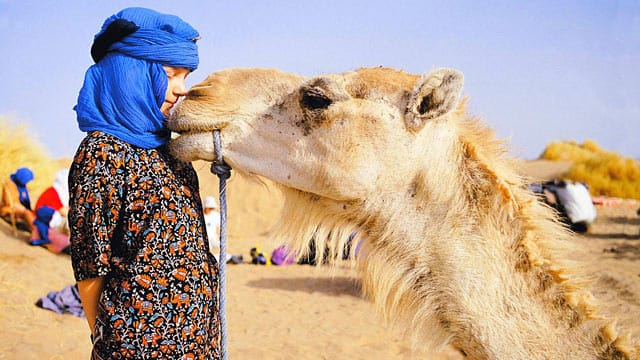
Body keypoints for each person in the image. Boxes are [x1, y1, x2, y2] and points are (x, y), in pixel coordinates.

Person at [68, 8, 220, 359]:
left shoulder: (170, 149)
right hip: (137, 345)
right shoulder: (103, 153)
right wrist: (111, 339)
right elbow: (90, 266)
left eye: (185, 76)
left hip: (198, 339)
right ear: (130, 74)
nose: (181, 90)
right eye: (171, 74)